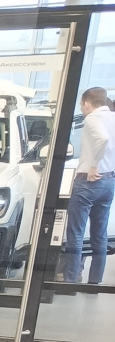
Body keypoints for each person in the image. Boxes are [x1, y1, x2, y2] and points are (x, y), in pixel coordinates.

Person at [61, 87, 113, 284]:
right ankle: (95, 281)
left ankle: (70, 279)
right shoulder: (113, 117)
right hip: (109, 181)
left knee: (76, 232)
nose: (81, 109)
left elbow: (103, 139)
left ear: (86, 103)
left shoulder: (92, 118)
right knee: (99, 234)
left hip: (88, 181)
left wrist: (93, 165)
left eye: (81, 105)